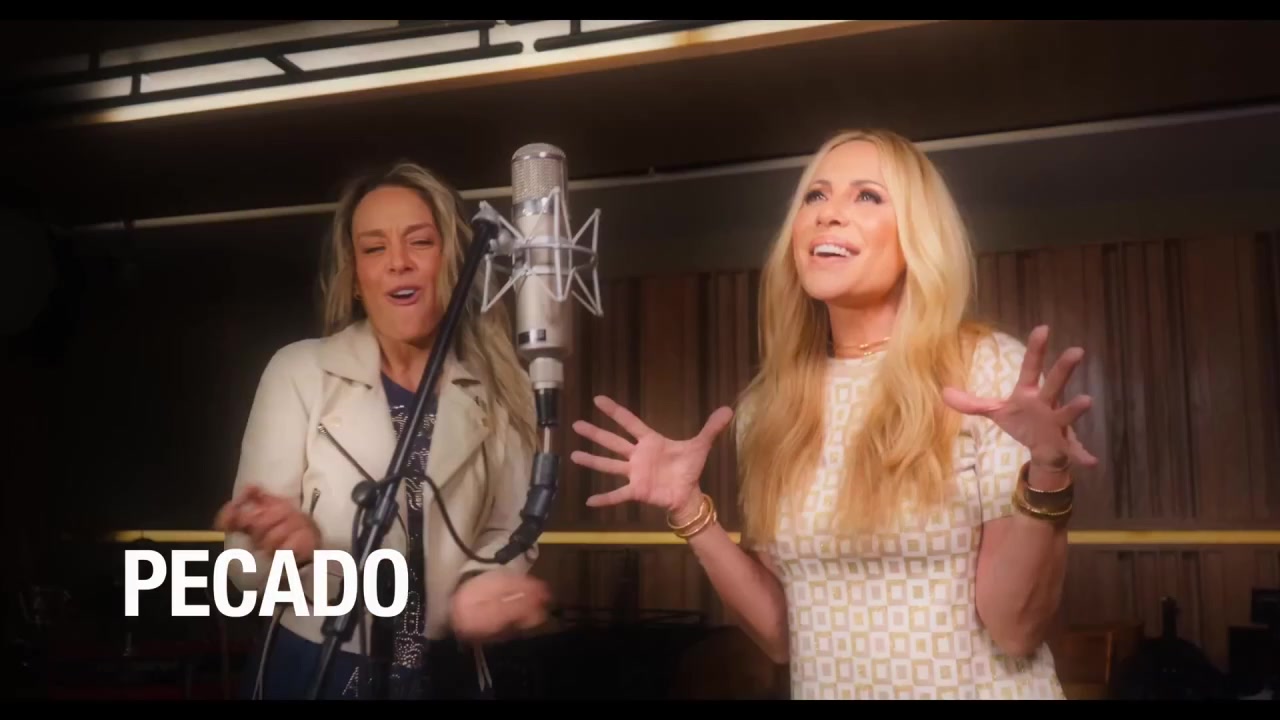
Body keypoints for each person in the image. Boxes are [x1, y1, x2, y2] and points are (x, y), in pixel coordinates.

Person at [569, 129, 1096, 700]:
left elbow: (1015, 630)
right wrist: (689, 508)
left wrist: (1048, 472)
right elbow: (783, 637)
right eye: (815, 196)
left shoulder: (986, 369)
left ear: (918, 236)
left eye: (867, 196)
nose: (828, 213)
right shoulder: (770, 406)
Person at [214, 160, 551, 700]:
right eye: (375, 248)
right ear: (355, 276)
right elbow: (243, 568)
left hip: (446, 674)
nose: (398, 262)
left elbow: (507, 535)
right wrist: (291, 552)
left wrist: (486, 587)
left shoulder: (502, 390)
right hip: (317, 667)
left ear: (452, 260)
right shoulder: (297, 372)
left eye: (420, 242)